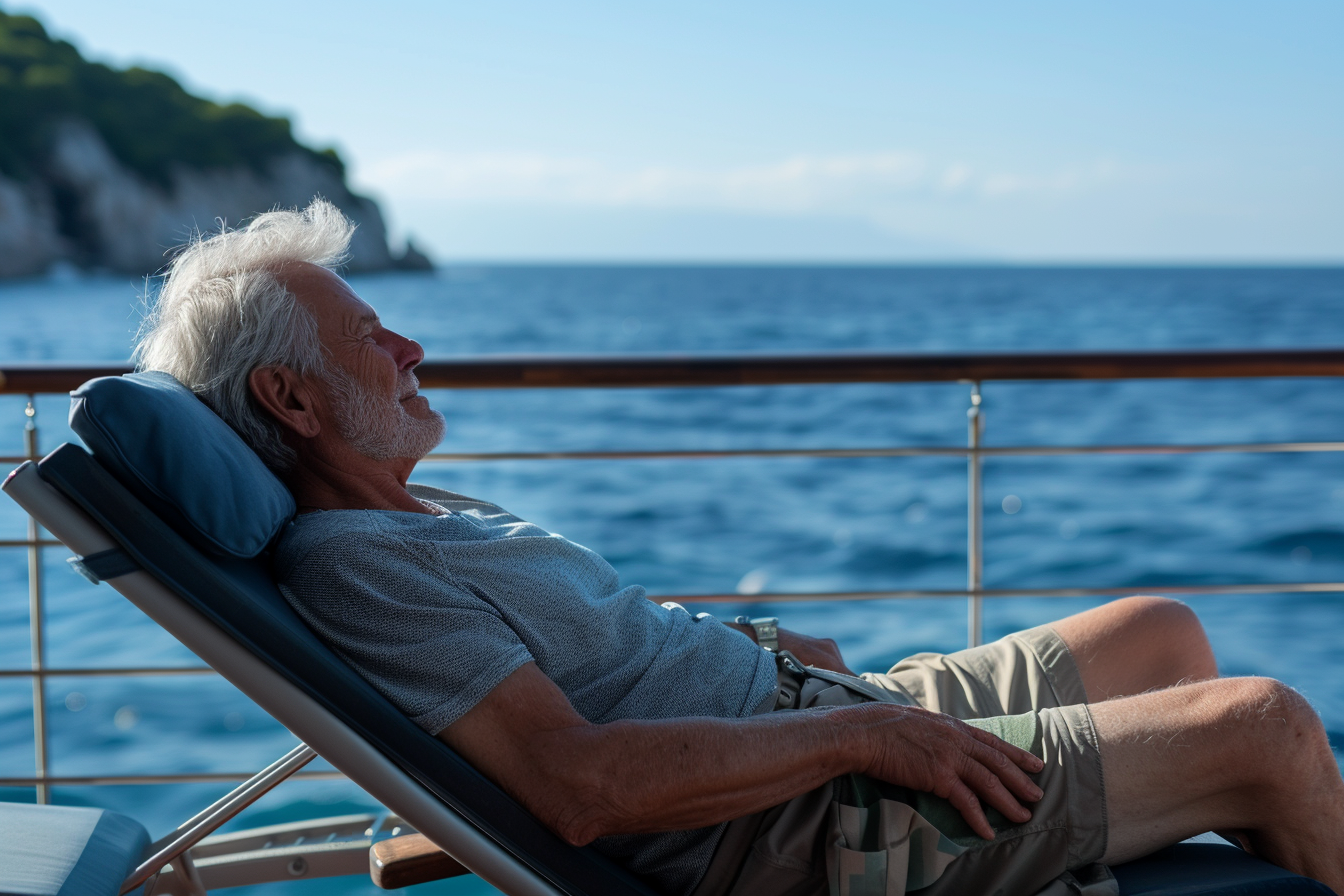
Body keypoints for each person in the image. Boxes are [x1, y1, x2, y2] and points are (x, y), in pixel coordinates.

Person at [135, 200, 1344, 896]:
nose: (409, 344)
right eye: (367, 336)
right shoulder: (360, 563)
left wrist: (779, 664)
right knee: (1266, 726)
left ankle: (1199, 827)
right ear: (291, 403)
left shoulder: (420, 513)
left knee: (1162, 627)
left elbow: (603, 670)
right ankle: (1224, 805)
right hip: (795, 819)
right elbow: (582, 788)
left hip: (806, 716)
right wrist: (865, 732)